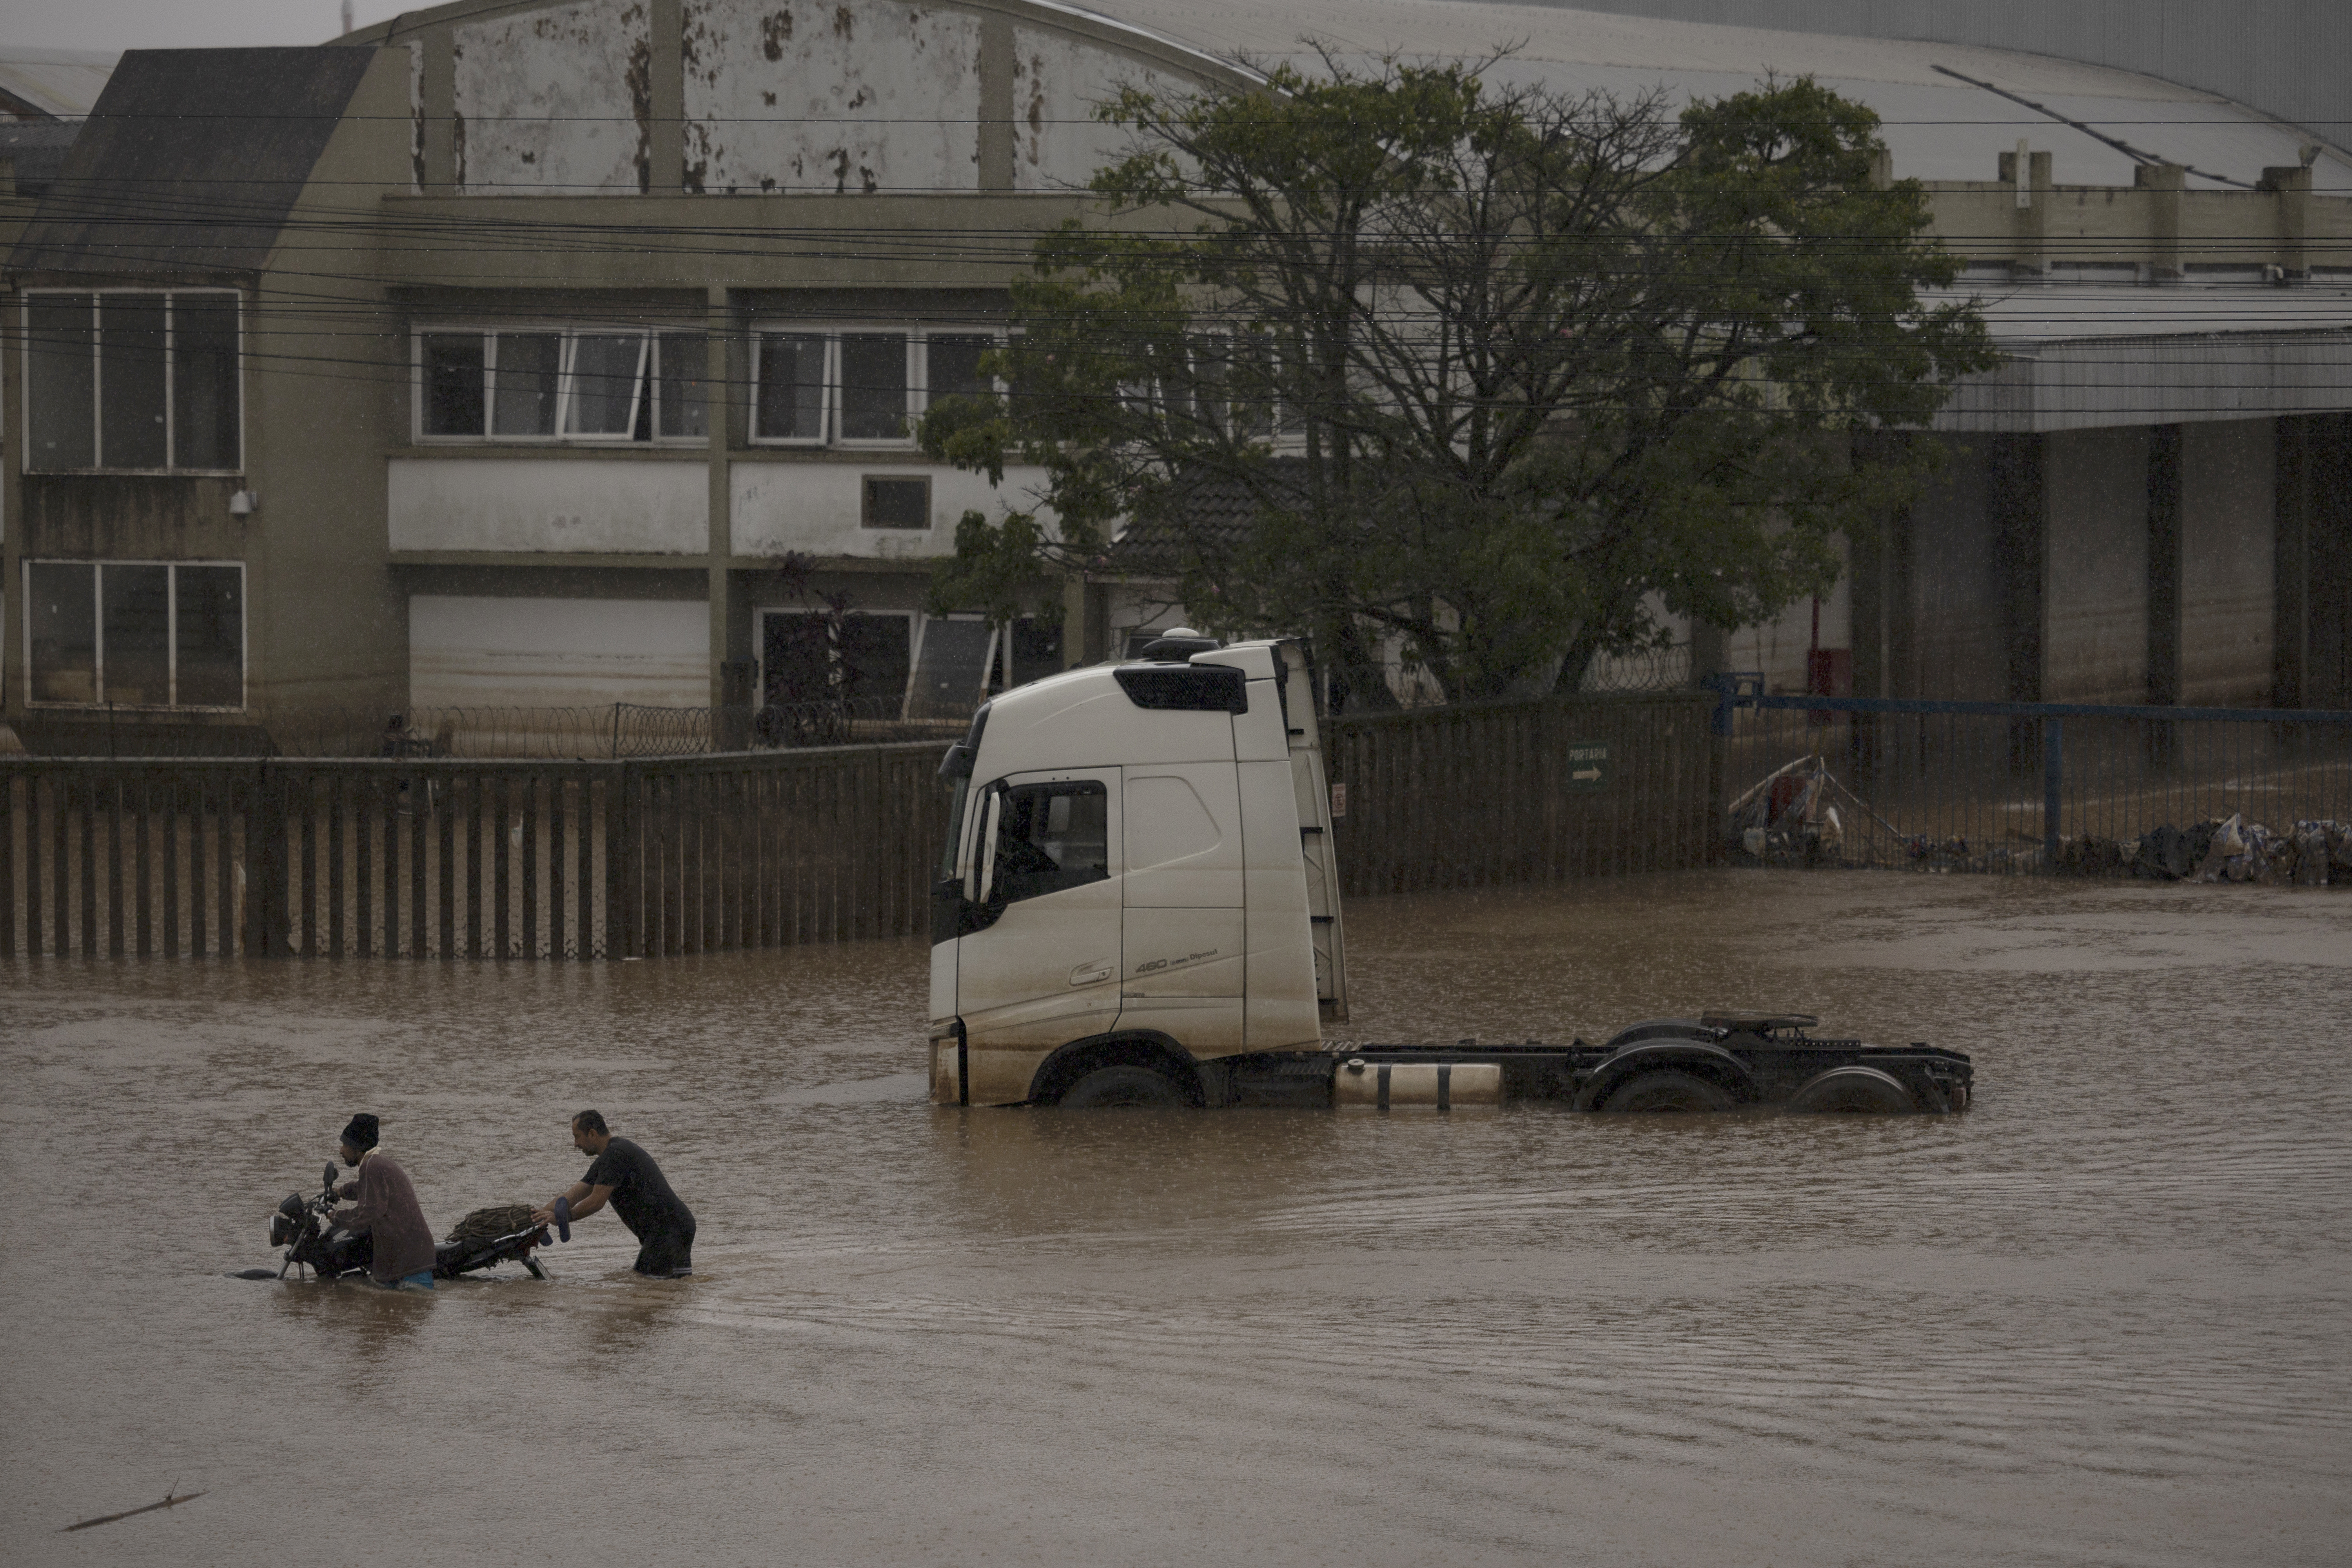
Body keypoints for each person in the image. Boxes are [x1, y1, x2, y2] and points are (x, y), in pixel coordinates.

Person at [532, 1111, 696, 1278]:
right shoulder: (609, 1157)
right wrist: (533, 1219)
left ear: (592, 1134)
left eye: (577, 1137)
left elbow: (596, 1202)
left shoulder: (614, 1156)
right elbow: (570, 1197)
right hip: (678, 1226)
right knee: (675, 1288)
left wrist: (564, 1218)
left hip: (667, 1231)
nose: (576, 1144)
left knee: (642, 1288)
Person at [332, 1113, 437, 1291]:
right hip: (404, 1257)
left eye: (345, 1144)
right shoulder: (377, 1163)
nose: (341, 1150)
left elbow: (367, 1213)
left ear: (357, 1147)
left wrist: (335, 1216)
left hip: (409, 1262)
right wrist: (341, 1192)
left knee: (416, 1309)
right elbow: (365, 1188)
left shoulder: (371, 1166)